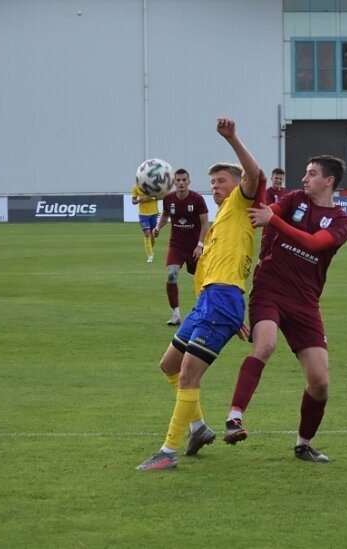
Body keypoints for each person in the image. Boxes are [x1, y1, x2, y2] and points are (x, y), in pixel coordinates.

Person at [136, 117, 266, 471]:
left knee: (190, 374)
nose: (215, 186)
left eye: (221, 180)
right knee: (169, 366)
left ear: (237, 184)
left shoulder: (242, 205)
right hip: (210, 301)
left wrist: (233, 138)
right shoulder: (222, 218)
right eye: (212, 182)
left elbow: (255, 176)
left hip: (223, 300)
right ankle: (198, 428)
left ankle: (168, 452)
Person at [222, 155, 347, 463]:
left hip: (306, 302)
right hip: (270, 289)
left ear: (329, 180)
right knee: (265, 344)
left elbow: (313, 243)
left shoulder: (342, 221)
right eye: (305, 172)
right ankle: (234, 418)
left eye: (311, 174)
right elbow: (268, 212)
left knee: (320, 383)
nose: (304, 178)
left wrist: (274, 221)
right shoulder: (294, 199)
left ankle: (303, 444)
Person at [153, 168, 209, 326]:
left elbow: (205, 224)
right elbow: (165, 215)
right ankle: (176, 314)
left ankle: (204, 311)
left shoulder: (197, 199)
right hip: (176, 246)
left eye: (184, 180)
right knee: (171, 275)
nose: (181, 183)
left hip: (194, 247)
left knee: (204, 281)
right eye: (178, 180)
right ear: (174, 182)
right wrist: (158, 227)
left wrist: (200, 245)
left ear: (188, 182)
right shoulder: (168, 199)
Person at [258, 167, 288, 261]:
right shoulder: (267, 192)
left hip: (282, 231)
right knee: (264, 256)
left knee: (280, 257)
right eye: (276, 178)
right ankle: (258, 274)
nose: (278, 180)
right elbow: (269, 209)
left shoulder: (286, 192)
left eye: (280, 178)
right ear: (271, 178)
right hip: (270, 231)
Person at [132, 181, 160, 263]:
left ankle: (149, 247)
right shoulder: (136, 187)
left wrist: (152, 198)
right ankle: (150, 255)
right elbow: (133, 201)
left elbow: (160, 196)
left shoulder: (154, 186)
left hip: (154, 212)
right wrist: (138, 200)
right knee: (147, 233)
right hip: (143, 214)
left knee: (154, 234)